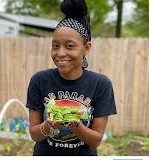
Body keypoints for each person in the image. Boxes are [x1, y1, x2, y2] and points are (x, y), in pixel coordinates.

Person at [26, 0, 117, 156]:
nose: (60, 53)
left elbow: (96, 140)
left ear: (86, 48)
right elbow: (34, 134)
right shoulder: (39, 81)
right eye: (55, 45)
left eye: (70, 46)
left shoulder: (101, 84)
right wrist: (49, 126)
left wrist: (76, 126)